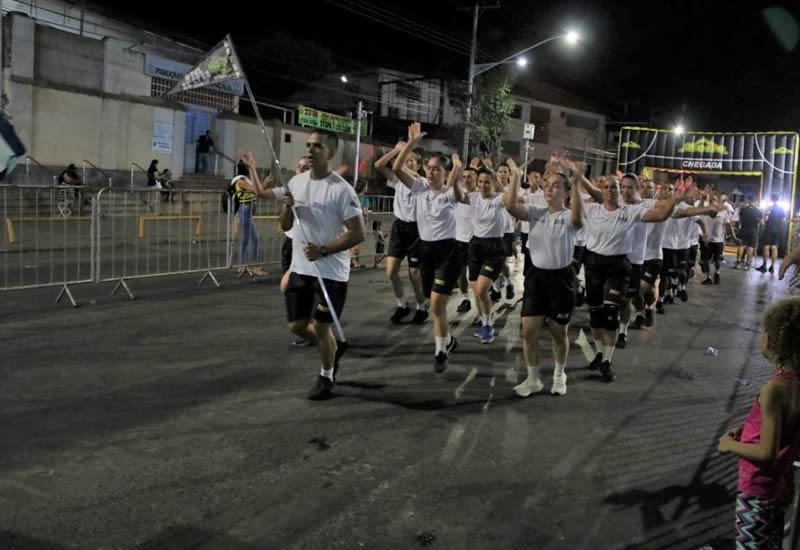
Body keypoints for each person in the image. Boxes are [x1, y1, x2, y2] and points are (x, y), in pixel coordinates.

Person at [266, 130, 366, 400]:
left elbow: (358, 233)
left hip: (331, 273)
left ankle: (326, 376)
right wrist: (287, 207)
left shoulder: (341, 190)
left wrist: (324, 250)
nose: (310, 150)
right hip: (301, 269)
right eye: (308, 145)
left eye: (317, 146)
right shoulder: (296, 183)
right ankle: (332, 346)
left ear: (330, 152)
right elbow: (285, 225)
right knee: (297, 327)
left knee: (321, 327)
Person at [577, 172, 693, 382]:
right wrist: (576, 178)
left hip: (618, 266)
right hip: (593, 264)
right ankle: (599, 353)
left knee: (611, 311)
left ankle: (607, 361)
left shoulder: (631, 212)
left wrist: (675, 199)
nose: (612, 191)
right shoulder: (592, 209)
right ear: (601, 191)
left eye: (616, 188)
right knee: (595, 316)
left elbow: (659, 215)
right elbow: (569, 207)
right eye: (608, 187)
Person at [718, 297, 800, 548]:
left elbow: (766, 452)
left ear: (774, 340)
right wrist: (748, 430)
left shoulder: (774, 390)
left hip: (758, 489)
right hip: (782, 484)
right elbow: (786, 426)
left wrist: (729, 445)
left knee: (751, 544)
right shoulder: (795, 381)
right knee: (772, 541)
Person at [505, 160, 583, 396]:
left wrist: (577, 182)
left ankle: (560, 375)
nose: (550, 189)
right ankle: (533, 379)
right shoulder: (535, 212)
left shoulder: (570, 216)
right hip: (536, 279)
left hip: (561, 280)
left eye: (557, 185)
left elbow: (578, 220)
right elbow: (510, 206)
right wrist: (516, 176)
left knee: (559, 333)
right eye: (547, 185)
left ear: (567, 192)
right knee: (529, 332)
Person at [392, 122, 464, 372]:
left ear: (444, 173)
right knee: (434, 304)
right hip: (425, 251)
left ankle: (440, 352)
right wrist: (411, 143)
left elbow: (458, 190)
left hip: (448, 253)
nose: (431, 172)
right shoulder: (419, 187)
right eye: (428, 168)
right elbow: (396, 167)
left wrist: (457, 171)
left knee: (436, 304)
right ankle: (448, 341)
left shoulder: (450, 193)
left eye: (436, 169)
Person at [374, 142, 428, 325]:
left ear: (419, 166)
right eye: (406, 159)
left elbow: (401, 169)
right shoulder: (396, 180)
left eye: (412, 160)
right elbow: (379, 166)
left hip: (417, 230)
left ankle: (421, 307)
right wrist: (396, 150)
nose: (408, 162)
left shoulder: (422, 183)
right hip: (399, 228)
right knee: (391, 271)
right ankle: (402, 305)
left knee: (414, 273)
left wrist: (401, 162)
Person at [456, 164, 506, 344]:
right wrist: (456, 170)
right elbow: (456, 195)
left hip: (494, 247)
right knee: (476, 290)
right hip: (475, 245)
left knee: (482, 288)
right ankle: (485, 320)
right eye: (481, 182)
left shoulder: (500, 199)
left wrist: (512, 175)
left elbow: (512, 198)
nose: (483, 185)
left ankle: (488, 325)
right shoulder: (472, 197)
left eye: (487, 182)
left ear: (493, 183)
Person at [229, 156, 267, 277]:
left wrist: (252, 166)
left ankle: (242, 266)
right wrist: (265, 182)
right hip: (244, 210)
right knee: (252, 238)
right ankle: (254, 266)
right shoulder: (241, 181)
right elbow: (256, 190)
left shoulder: (244, 179)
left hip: (247, 210)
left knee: (245, 239)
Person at [455, 164, 477, 314]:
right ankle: (465, 299)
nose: (467, 179)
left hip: (477, 241)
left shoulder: (481, 195)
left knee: (476, 278)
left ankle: (483, 302)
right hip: (459, 240)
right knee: (461, 273)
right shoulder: (457, 193)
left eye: (470, 176)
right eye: (464, 177)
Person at [701, 194, 736, 285]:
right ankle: (708, 277)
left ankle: (717, 272)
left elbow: (728, 225)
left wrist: (733, 237)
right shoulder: (705, 211)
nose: (713, 201)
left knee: (716, 260)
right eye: (711, 199)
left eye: (715, 200)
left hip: (718, 241)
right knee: (705, 260)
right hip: (707, 240)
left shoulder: (723, 213)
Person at [757, 194, 787, 273]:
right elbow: (783, 220)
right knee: (774, 248)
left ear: (771, 198)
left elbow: (766, 218)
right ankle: (772, 267)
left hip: (769, 229)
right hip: (778, 230)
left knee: (766, 247)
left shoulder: (770, 207)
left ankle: (764, 266)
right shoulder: (781, 208)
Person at [735, 196, 762, 271]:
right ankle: (747, 264)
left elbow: (740, 219)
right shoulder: (758, 210)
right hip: (753, 230)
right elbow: (761, 222)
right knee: (750, 247)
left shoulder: (743, 209)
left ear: (748, 200)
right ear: (755, 201)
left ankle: (738, 263)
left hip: (744, 228)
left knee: (741, 246)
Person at [350, 179, 371, 269]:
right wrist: (369, 211)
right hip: (359, 223)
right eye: (366, 186)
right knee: (356, 244)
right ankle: (356, 262)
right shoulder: (364, 199)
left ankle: (351, 261)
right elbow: (365, 212)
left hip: (350, 222)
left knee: (350, 243)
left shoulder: (353, 197)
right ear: (363, 188)